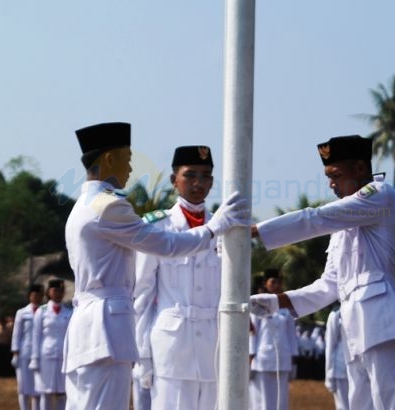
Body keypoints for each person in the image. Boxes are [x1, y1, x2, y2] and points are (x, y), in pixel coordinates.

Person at [62, 122, 249, 410]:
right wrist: (215, 228)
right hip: (110, 331)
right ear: (110, 159)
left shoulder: (84, 204)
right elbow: (167, 247)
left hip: (92, 329)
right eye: (128, 159)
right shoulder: (109, 206)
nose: (130, 169)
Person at [249, 135, 395, 410]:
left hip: (385, 327)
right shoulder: (342, 228)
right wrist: (272, 302)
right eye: (328, 176)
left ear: (361, 170)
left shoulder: (380, 194)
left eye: (336, 174)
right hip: (354, 333)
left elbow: (316, 218)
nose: (331, 184)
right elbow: (328, 286)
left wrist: (259, 230)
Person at [133, 145, 222, 410]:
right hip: (171, 346)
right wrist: (143, 357)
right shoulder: (156, 227)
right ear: (175, 180)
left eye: (205, 175)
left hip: (213, 347)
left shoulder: (223, 229)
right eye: (190, 174)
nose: (198, 182)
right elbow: (142, 295)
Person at [249, 269, 299, 410]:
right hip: (262, 358)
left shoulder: (286, 307)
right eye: (273, 281)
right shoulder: (257, 305)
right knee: (262, 400)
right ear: (265, 284)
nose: (277, 285)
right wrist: (250, 358)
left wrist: (293, 359)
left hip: (283, 358)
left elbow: (291, 335)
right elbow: (253, 333)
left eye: (279, 282)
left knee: (281, 400)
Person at [30, 279, 72, 410]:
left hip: (63, 356)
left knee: (62, 392)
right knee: (46, 392)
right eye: (55, 290)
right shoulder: (41, 311)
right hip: (46, 356)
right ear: (49, 292)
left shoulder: (69, 311)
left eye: (61, 291)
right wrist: (35, 359)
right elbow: (36, 336)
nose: (58, 293)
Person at [11, 284, 44, 410]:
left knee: (37, 387)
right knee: (23, 387)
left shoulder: (45, 311)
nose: (37, 298)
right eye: (35, 295)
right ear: (29, 296)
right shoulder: (21, 312)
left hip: (40, 354)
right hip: (24, 353)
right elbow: (16, 334)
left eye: (40, 295)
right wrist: (15, 353)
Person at [325, 303, 349, 410]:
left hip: (362, 367)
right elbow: (330, 345)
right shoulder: (336, 314)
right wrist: (329, 374)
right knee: (343, 407)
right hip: (341, 367)